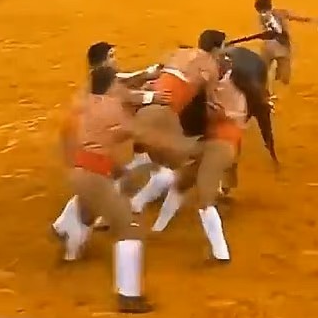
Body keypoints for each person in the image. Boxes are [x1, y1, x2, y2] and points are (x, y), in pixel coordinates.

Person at [53, 42, 168, 245]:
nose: (115, 60)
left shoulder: (99, 78)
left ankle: (66, 225)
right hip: (89, 142)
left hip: (87, 139)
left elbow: (126, 79)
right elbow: (127, 92)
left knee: (102, 179)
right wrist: (153, 95)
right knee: (99, 180)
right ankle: (67, 228)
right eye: (111, 56)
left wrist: (149, 73)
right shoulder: (101, 84)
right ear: (102, 62)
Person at [66, 65, 152, 313]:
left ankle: (68, 249)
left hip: (81, 170)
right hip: (93, 174)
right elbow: (138, 132)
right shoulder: (110, 108)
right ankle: (129, 296)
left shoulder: (84, 104)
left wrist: (118, 170)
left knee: (86, 213)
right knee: (129, 228)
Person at [150, 53, 247, 262]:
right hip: (214, 143)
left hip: (220, 145)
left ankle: (221, 253)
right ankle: (157, 228)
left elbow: (214, 116)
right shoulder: (229, 89)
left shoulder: (223, 92)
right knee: (182, 182)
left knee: (205, 198)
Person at [129, 30, 226, 212]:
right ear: (216, 49)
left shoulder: (180, 53)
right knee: (186, 162)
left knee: (136, 155)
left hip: (143, 106)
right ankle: (138, 201)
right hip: (164, 114)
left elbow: (158, 74)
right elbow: (211, 104)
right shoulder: (212, 67)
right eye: (222, 46)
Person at [254, 0, 318, 86]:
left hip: (274, 47)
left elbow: (297, 18)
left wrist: (314, 20)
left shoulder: (272, 15)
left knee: (274, 75)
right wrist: (315, 20)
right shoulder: (279, 13)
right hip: (277, 47)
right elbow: (298, 18)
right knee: (279, 76)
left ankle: (270, 87)